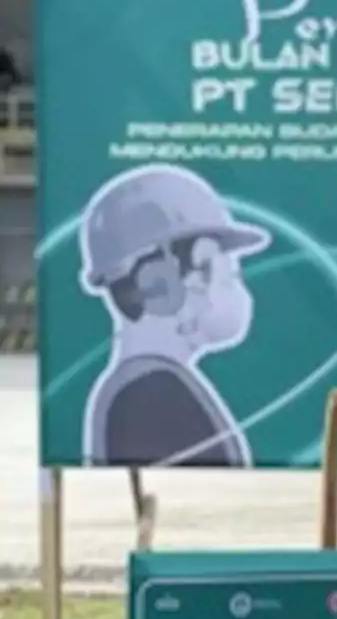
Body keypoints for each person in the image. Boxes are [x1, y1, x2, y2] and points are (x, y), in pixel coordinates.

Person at [79, 163, 269, 466]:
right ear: (159, 282)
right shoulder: (155, 397)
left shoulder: (140, 388)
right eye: (224, 270)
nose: (230, 284)